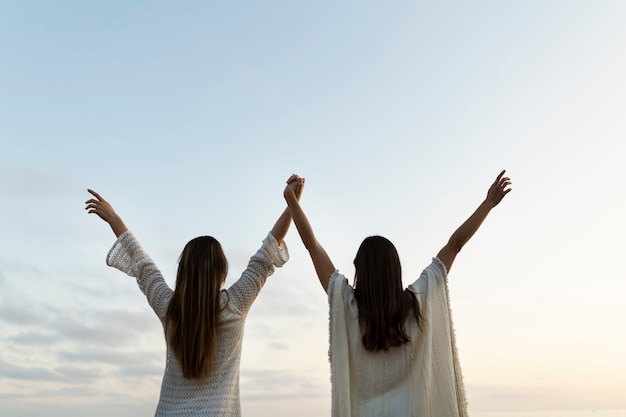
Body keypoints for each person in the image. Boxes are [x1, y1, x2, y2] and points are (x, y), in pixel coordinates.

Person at [283, 170, 512, 417]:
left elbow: (311, 245)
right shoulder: (417, 303)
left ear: (360, 270)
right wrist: (488, 204)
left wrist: (292, 200)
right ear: (396, 269)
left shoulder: (347, 305)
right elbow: (455, 245)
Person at [85, 177, 302, 417]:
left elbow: (142, 264)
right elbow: (266, 253)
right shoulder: (235, 304)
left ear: (183, 271)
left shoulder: (169, 308)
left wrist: (114, 219)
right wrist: (292, 203)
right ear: (222, 272)